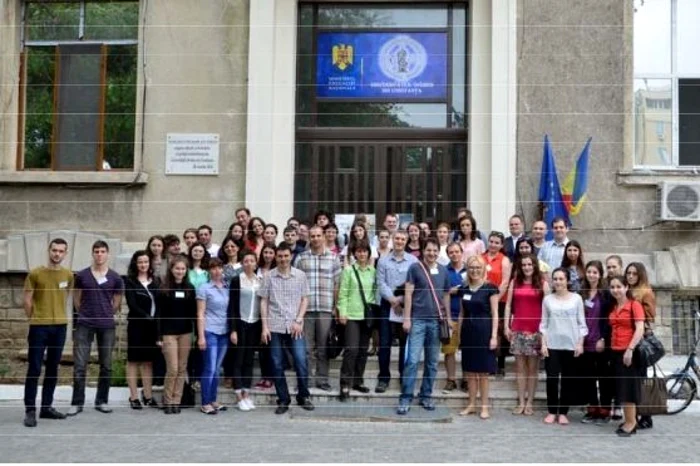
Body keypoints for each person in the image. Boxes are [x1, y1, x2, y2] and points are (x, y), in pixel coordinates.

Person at [68, 241, 124, 416]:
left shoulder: (115, 277)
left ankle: (102, 400)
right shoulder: (82, 275)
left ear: (108, 254)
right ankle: (77, 402)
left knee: (106, 365)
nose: (99, 254)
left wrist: (106, 312)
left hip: (106, 325)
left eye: (102, 251)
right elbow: (76, 298)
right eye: (96, 251)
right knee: (80, 364)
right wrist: (85, 312)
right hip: (85, 324)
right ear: (92, 254)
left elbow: (117, 302)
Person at [259, 242, 315, 414]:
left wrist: (299, 320)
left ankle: (303, 395)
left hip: (294, 326)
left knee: (300, 361)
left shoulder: (300, 276)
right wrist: (265, 327)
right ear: (276, 257)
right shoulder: (268, 276)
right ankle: (283, 399)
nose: (283, 259)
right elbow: (264, 301)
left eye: (285, 256)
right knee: (276, 363)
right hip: (275, 325)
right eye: (280, 256)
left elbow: (305, 299)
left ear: (291, 256)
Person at [22, 238, 73, 427]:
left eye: (61, 251)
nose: (57, 254)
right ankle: (30, 410)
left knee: (53, 368)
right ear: (49, 251)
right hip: (39, 327)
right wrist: (34, 319)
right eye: (54, 250)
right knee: (34, 368)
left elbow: (65, 297)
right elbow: (27, 300)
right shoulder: (36, 273)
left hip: (60, 327)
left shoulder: (68, 275)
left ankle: (46, 407)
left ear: (65, 254)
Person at [397, 238, 451, 415]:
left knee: (432, 362)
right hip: (418, 321)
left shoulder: (443, 270)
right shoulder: (414, 268)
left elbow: (446, 297)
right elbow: (408, 294)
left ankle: (426, 395)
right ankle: (406, 397)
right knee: (412, 361)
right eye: (429, 250)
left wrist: (448, 318)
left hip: (436, 322)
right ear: (423, 251)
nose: (432, 253)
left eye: (435, 250)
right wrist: (407, 319)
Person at [294, 225, 342, 391]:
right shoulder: (301, 258)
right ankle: (304, 380)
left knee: (323, 348)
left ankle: (322, 380)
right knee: (305, 349)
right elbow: (296, 284)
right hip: (305, 310)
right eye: (312, 236)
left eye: (318, 235)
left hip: (325, 308)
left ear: (323, 236)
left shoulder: (334, 258)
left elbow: (337, 284)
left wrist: (336, 307)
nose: (315, 238)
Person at [504, 253, 550, 417]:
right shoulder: (514, 282)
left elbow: (547, 309)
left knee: (533, 369)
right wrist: (506, 325)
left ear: (535, 265)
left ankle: (530, 401)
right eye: (524, 265)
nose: (527, 267)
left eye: (529, 264)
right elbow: (508, 305)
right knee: (520, 369)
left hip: (536, 330)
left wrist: (544, 333)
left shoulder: (542, 284)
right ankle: (521, 401)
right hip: (518, 329)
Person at [539, 268, 587, 425]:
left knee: (567, 379)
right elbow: (544, 324)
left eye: (561, 279)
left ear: (567, 281)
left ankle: (563, 412)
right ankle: (552, 411)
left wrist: (580, 343)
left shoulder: (577, 299)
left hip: (571, 345)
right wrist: (543, 343)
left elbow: (582, 324)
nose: (558, 282)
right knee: (552, 378)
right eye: (555, 279)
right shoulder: (548, 300)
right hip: (552, 345)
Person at [375, 230, 418, 393]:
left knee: (403, 344)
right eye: (397, 238)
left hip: (406, 305)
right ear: (393, 240)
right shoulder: (383, 261)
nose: (399, 241)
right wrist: (393, 300)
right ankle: (383, 378)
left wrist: (401, 300)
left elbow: (414, 283)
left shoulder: (413, 261)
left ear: (406, 241)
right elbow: (380, 283)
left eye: (402, 239)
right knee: (384, 343)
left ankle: (403, 377)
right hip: (387, 305)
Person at [458, 255, 499, 419]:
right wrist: (459, 335)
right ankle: (471, 404)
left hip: (484, 332)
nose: (475, 270)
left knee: (483, 372)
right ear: (468, 270)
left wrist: (494, 336)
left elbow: (495, 314)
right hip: (468, 332)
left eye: (478, 267)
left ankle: (484, 406)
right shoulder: (463, 289)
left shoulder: (490, 288)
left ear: (483, 269)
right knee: (470, 372)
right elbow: (461, 314)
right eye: (472, 267)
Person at [156, 256, 197, 415]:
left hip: (186, 333)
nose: (180, 271)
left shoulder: (190, 288)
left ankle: (176, 401)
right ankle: (167, 400)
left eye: (183, 269)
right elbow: (158, 314)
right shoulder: (164, 289)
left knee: (182, 368)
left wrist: (197, 334)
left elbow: (193, 313)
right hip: (168, 334)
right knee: (172, 368)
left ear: (186, 271)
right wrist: (158, 336)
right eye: (177, 268)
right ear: (171, 270)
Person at [337, 241, 376, 401]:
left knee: (362, 351)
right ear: (354, 254)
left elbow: (375, 293)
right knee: (351, 350)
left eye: (364, 251)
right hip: (351, 315)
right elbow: (343, 293)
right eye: (358, 251)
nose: (362, 254)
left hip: (367, 316)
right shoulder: (348, 271)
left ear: (368, 253)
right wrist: (342, 312)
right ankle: (344, 384)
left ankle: (357, 381)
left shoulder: (373, 271)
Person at [578, 260, 615, 424]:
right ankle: (592, 409)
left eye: (595, 272)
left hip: (600, 342)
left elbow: (609, 319)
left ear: (600, 275)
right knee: (588, 378)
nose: (591, 275)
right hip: (585, 341)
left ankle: (605, 411)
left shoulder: (606, 294)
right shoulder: (582, 292)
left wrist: (603, 338)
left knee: (604, 378)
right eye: (589, 272)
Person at [608, 275, 645, 437]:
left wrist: (630, 349)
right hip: (616, 351)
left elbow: (640, 329)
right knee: (622, 388)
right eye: (613, 287)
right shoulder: (614, 307)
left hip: (628, 352)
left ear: (626, 288)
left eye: (619, 286)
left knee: (628, 389)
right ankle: (629, 419)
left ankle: (631, 423)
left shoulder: (634, 305)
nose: (616, 290)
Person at [124, 251, 159, 410]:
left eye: (146, 262)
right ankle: (133, 397)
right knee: (133, 361)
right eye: (140, 262)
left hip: (152, 327)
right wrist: (147, 317)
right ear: (135, 264)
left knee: (147, 362)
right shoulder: (130, 281)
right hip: (137, 326)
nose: (143, 265)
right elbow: (132, 304)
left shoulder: (156, 281)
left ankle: (148, 395)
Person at [228, 250, 262, 411]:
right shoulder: (237, 280)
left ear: (256, 263)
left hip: (254, 324)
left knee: (249, 360)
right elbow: (232, 306)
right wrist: (233, 329)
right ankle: (238, 395)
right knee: (238, 359)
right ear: (242, 263)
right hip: (240, 323)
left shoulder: (260, 280)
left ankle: (246, 393)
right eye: (246, 261)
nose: (249, 263)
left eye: (252, 260)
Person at [196, 258, 231, 415]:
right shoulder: (204, 288)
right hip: (210, 331)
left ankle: (213, 399)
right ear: (209, 271)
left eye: (219, 268)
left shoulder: (227, 287)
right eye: (213, 268)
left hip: (224, 332)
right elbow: (200, 313)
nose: (217, 271)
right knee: (209, 368)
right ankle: (205, 403)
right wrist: (201, 336)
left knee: (217, 369)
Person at [625, 262, 656, 430]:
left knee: (640, 380)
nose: (630, 276)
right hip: (627, 340)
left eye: (634, 274)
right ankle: (634, 415)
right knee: (632, 381)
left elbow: (649, 318)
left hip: (639, 341)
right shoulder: (627, 291)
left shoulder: (645, 292)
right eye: (628, 273)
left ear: (640, 275)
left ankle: (646, 416)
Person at [483, 231, 512, 376]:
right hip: (483, 302)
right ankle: (488, 363)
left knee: (499, 333)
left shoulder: (505, 260)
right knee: (486, 332)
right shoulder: (480, 258)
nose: (493, 245)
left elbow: (505, 282)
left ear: (501, 245)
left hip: (500, 301)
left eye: (496, 242)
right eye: (491, 241)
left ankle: (500, 364)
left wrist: (495, 298)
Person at [442, 242, 467, 393]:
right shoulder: (444, 271)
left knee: (467, 350)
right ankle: (451, 379)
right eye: (451, 252)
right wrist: (448, 318)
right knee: (449, 351)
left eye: (457, 251)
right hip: (450, 317)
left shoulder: (470, 269)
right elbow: (442, 293)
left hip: (467, 317)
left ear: (461, 252)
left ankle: (465, 379)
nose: (454, 254)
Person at [605, 254, 625, 421]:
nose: (611, 270)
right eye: (608, 267)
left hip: (624, 338)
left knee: (621, 374)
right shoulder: (606, 286)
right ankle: (610, 404)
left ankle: (619, 405)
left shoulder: (625, 286)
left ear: (620, 267)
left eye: (613, 267)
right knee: (610, 373)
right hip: (608, 335)